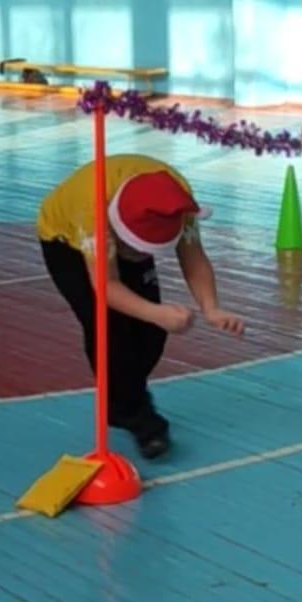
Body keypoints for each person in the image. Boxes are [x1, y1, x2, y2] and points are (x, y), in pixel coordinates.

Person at [38, 155, 245, 458]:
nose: (138, 258)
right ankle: (140, 418)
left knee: (150, 334)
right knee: (107, 327)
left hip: (119, 227)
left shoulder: (176, 201)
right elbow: (107, 286)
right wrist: (157, 313)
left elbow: (193, 256)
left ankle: (121, 398)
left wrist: (211, 307)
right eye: (135, 250)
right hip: (64, 240)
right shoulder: (92, 215)